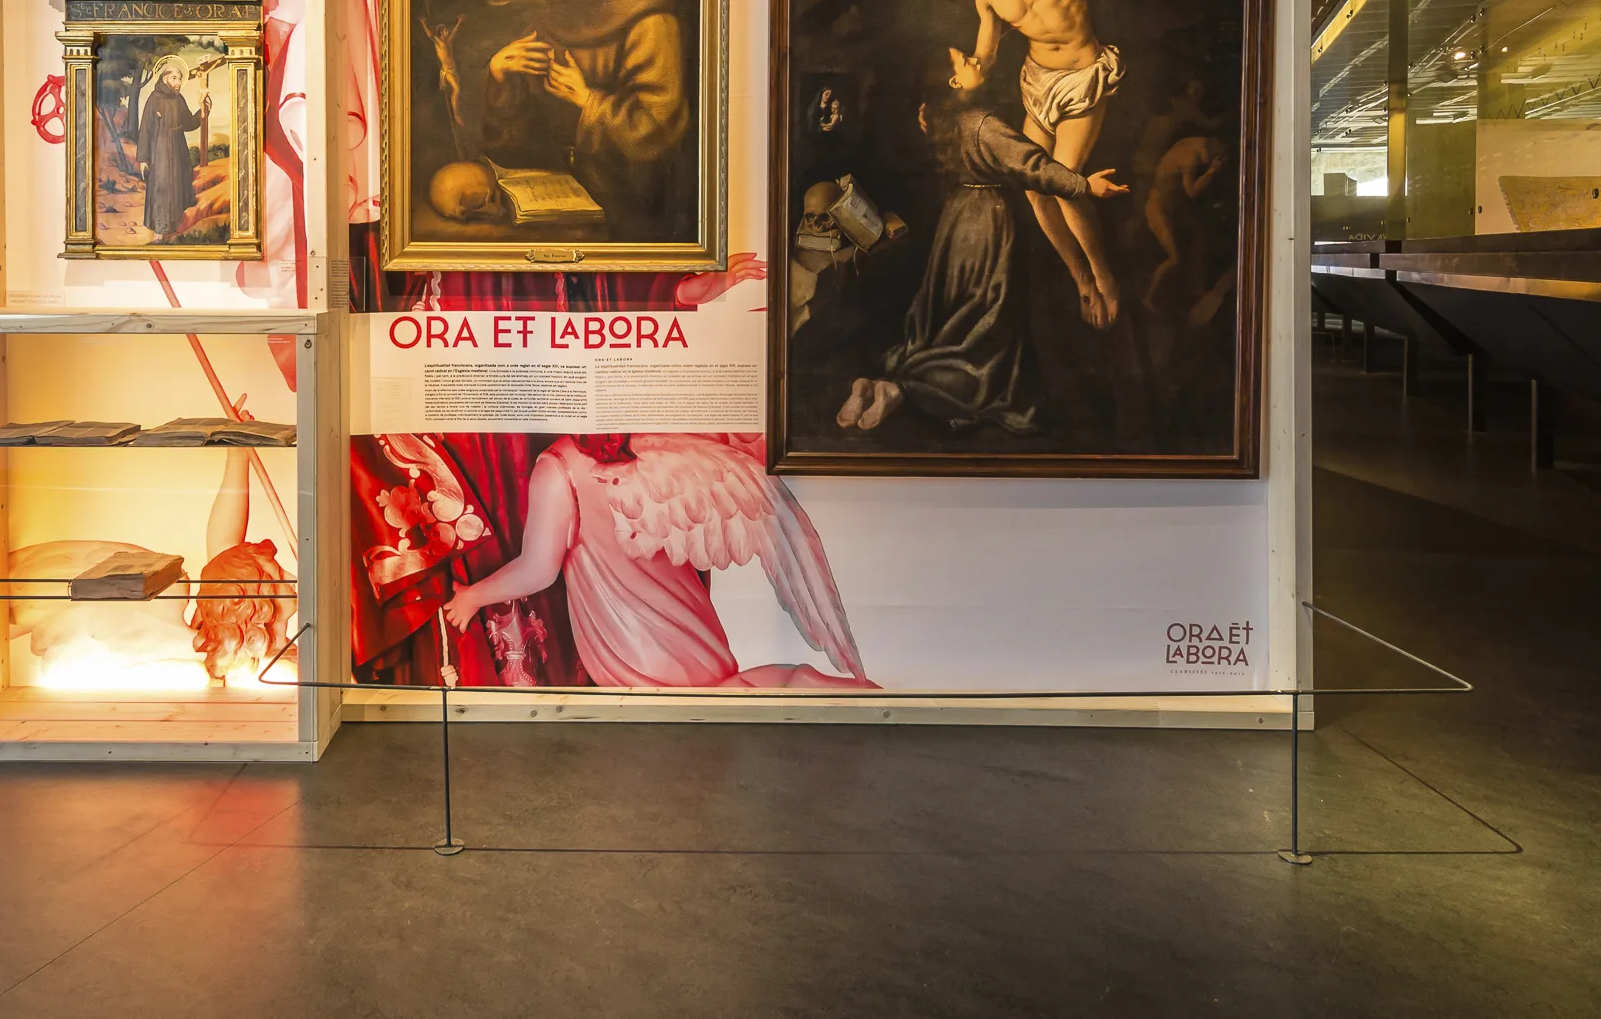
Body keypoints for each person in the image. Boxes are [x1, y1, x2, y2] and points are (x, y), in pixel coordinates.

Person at [923, 0, 1222, 329]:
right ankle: (1079, 277)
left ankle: (1104, 276)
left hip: (1083, 75)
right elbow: (986, 53)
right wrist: (967, 75)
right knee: (1034, 189)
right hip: (1037, 79)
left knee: (1063, 180)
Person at [838, 49, 1126, 435]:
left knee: (953, 315)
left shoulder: (935, 116)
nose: (976, 60)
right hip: (989, 222)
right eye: (965, 61)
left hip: (956, 220)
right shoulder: (983, 124)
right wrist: (1084, 185)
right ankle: (904, 391)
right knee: (986, 323)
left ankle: (873, 385)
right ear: (955, 81)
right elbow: (1034, 166)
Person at [440, 432, 867, 689]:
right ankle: (807, 682)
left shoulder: (560, 467)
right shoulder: (665, 453)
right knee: (724, 693)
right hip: (700, 636)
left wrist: (473, 596)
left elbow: (538, 569)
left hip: (636, 654)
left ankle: (808, 684)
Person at [481, 0, 690, 234]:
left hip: (634, 211)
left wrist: (587, 101)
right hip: (561, 207)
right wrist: (501, 78)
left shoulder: (648, 16)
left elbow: (657, 133)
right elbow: (514, 147)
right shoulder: (551, 23)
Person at [1145, 134, 1230, 311]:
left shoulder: (1197, 142)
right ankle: (1148, 297)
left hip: (1173, 207)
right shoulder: (1190, 158)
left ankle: (1197, 291)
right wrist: (1212, 171)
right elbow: (1191, 192)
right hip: (1158, 209)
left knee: (1199, 239)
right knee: (1175, 258)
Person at [137, 64, 209, 238]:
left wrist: (203, 109)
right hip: (159, 150)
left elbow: (189, 123)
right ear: (164, 79)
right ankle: (159, 231)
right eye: (174, 78)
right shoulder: (154, 99)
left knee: (177, 186)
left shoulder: (178, 99)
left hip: (177, 148)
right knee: (161, 187)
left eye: (180, 78)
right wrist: (143, 158)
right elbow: (145, 128)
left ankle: (175, 231)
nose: (178, 82)